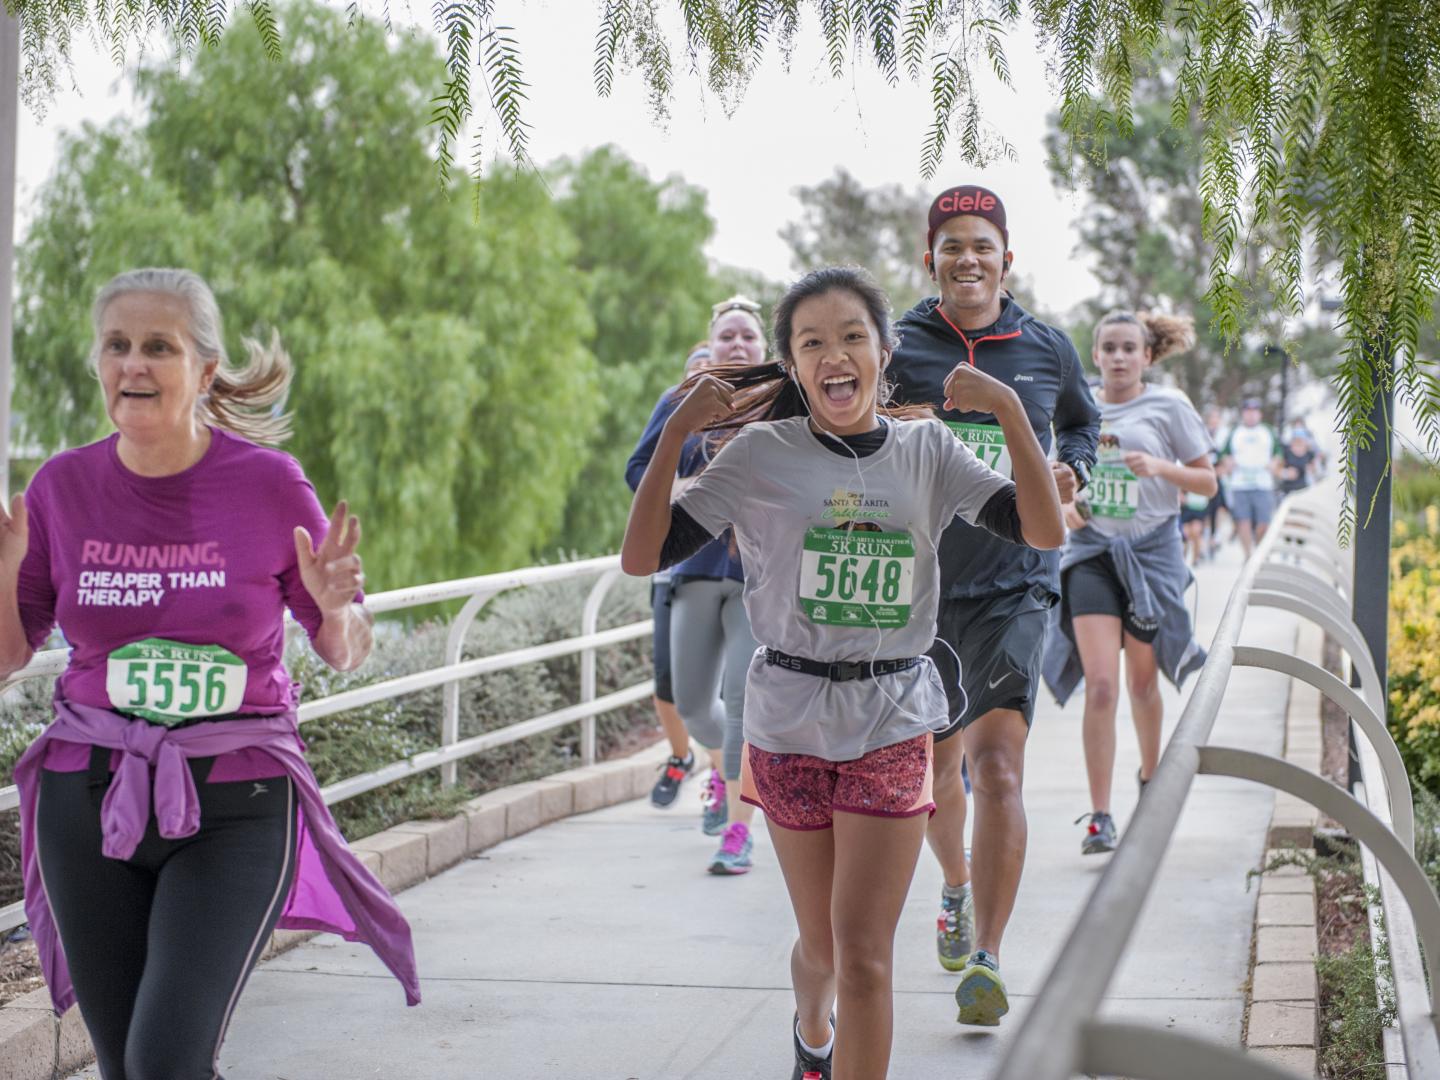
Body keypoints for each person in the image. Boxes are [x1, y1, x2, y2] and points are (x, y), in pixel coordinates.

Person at [620, 266, 1063, 1080]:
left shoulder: (929, 449)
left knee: (865, 959)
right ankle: (811, 1034)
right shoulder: (759, 455)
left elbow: (1041, 529)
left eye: (852, 336)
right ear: (792, 366)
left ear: (884, 353)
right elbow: (642, 555)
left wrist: (1006, 408)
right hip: (786, 719)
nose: (835, 354)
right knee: (821, 950)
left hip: (893, 714)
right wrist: (677, 430)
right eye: (813, 342)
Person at [3, 268, 419, 1079]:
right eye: (116, 345)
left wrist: (337, 607)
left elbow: (342, 649)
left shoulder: (267, 485)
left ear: (204, 368)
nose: (133, 364)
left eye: (158, 346)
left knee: (165, 1061)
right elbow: (9, 653)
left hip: (237, 801)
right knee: (129, 1067)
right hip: (85, 800)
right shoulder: (62, 487)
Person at [887, 184, 1100, 1022]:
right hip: (923, 588)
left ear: (1006, 259)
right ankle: (956, 886)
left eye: (983, 245)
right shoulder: (899, 346)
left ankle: (989, 958)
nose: (967, 259)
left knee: (998, 765)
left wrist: (1073, 465)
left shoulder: (1046, 347)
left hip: (1017, 581)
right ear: (930, 259)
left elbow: (1080, 424)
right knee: (937, 770)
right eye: (951, 246)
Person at [1041, 310, 1216, 855]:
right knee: (1101, 685)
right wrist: (1067, 510)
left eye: (1128, 348)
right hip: (1092, 553)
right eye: (1109, 347)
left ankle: (1148, 784)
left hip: (1151, 554)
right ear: (1095, 355)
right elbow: (1052, 480)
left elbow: (1208, 483)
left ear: (1146, 356)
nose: (1118, 357)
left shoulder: (1169, 406)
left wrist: (1160, 468)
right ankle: (1099, 816)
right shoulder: (1078, 409)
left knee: (1142, 683)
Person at [625, 299, 763, 873]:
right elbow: (638, 471)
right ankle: (718, 770)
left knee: (741, 706)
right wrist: (690, 474)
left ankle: (738, 830)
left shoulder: (782, 400)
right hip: (695, 566)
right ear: (711, 342)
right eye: (727, 336)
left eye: (748, 337)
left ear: (764, 347)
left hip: (759, 574)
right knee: (690, 702)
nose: (737, 345)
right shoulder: (681, 399)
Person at [636, 341, 711, 809]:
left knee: (733, 689)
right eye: (694, 370)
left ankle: (728, 785)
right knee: (669, 682)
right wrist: (682, 488)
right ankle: (682, 757)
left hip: (737, 569)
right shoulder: (672, 405)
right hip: (676, 566)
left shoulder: (755, 407)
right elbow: (636, 471)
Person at [1218, 397, 1282, 559]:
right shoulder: (1235, 432)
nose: (1251, 415)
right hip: (1240, 483)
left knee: (1263, 523)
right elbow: (1224, 453)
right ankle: (1248, 555)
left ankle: (1259, 552)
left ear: (1259, 414)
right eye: (1248, 412)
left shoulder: (1267, 431)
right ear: (1243, 414)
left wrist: (1274, 464)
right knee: (1243, 520)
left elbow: (1278, 453)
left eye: (1254, 412)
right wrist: (1228, 462)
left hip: (1263, 482)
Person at [1279, 428, 1319, 495]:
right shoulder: (1286, 453)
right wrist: (1286, 473)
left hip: (1304, 489)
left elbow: (1315, 471)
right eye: (1296, 441)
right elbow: (1277, 470)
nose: (1298, 444)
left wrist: (1311, 470)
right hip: (1287, 490)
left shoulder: (1309, 454)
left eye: (1301, 442)